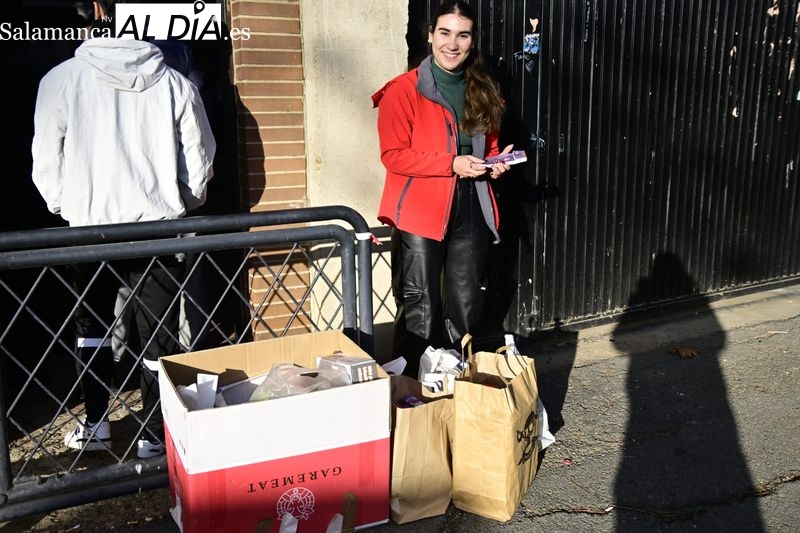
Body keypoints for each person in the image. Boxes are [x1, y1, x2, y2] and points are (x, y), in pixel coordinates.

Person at [31, 0, 216, 457]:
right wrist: (180, 202)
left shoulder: (59, 81)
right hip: (157, 227)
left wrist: (68, 206)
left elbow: (45, 163)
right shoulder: (174, 83)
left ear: (96, 13)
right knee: (159, 331)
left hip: (88, 229)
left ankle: (97, 424)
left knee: (92, 326)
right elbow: (199, 162)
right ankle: (154, 435)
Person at [372, 0, 512, 378]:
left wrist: (496, 163)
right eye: (445, 33)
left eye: (462, 35)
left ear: (472, 41)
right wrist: (451, 164)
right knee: (420, 306)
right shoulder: (403, 90)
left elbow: (488, 147)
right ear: (430, 35)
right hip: (420, 208)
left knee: (465, 304)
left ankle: (454, 387)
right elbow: (393, 155)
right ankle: (410, 392)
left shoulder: (483, 89)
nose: (452, 44)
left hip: (471, 203)